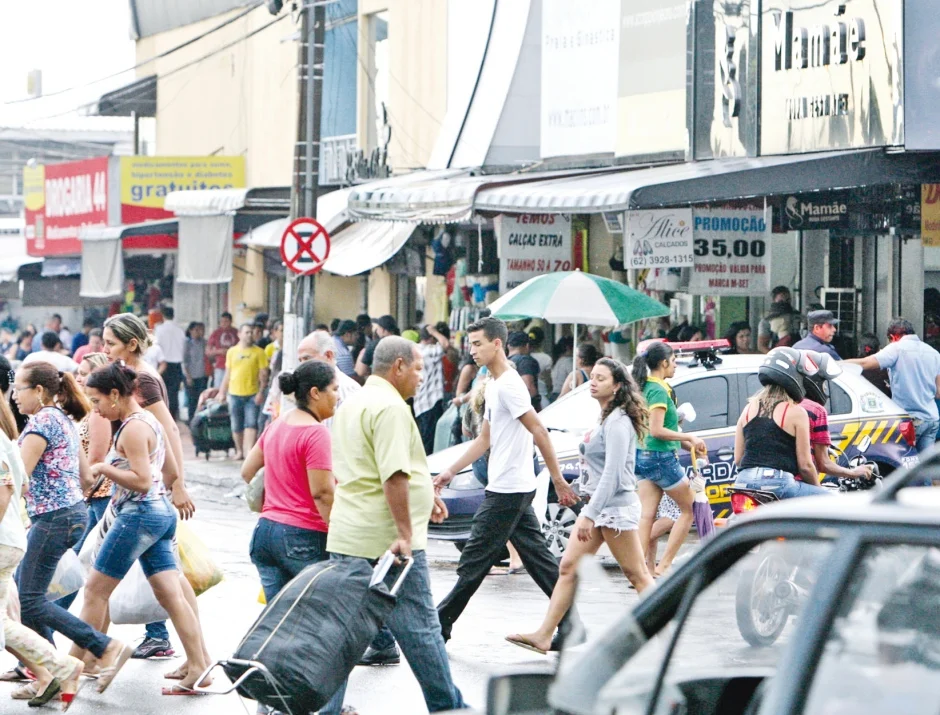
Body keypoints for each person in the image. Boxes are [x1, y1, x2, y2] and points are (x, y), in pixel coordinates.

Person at [327, 337, 465, 712]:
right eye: (419, 368)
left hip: (350, 534)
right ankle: (449, 707)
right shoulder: (390, 408)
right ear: (399, 366)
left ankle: (327, 709)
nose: (422, 377)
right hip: (387, 542)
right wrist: (406, 532)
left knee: (346, 634)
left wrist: (426, 497)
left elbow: (373, 469)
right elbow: (393, 476)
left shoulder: (353, 403)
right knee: (421, 631)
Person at [434, 317, 580, 647]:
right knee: (541, 562)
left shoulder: (511, 385)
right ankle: (571, 624)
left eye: (477, 344)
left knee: (474, 560)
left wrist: (558, 480)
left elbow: (539, 430)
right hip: (510, 486)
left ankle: (439, 624)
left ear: (497, 344)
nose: (472, 350)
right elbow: (484, 439)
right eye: (471, 344)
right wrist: (449, 471)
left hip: (509, 489)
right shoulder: (496, 383)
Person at [506, 358, 654, 654]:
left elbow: (613, 475)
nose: (594, 382)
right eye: (593, 377)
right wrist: (577, 492)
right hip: (598, 507)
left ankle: (665, 632)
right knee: (568, 567)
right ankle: (544, 635)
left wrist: (588, 514)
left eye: (601, 378)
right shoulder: (605, 416)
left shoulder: (618, 422)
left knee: (637, 574)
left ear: (617, 386)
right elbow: (599, 470)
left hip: (614, 509)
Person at [78, 363, 210, 694]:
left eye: (96, 401)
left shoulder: (134, 428)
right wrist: (164, 494)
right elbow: (170, 470)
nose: (95, 409)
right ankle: (199, 665)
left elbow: (140, 480)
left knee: (95, 590)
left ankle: (82, 661)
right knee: (171, 596)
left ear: (114, 394)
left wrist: (106, 467)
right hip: (158, 513)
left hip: (138, 515)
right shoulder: (149, 422)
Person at [11, 362, 131, 695]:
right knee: (28, 596)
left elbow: (18, 478)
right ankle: (51, 674)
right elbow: (87, 476)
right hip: (72, 514)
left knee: (29, 600)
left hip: (53, 518)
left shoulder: (40, 422)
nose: (14, 397)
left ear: (38, 391)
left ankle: (103, 647)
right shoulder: (63, 419)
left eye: (19, 389)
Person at [241, 360, 354, 715]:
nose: (338, 396)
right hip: (303, 538)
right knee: (331, 636)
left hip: (266, 536)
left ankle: (269, 710)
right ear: (315, 393)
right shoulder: (316, 433)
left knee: (279, 633)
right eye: (334, 390)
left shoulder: (276, 426)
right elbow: (323, 494)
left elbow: (248, 472)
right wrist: (341, 540)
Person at [101, 313, 200, 663]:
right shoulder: (129, 375)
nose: (106, 349)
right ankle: (194, 657)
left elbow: (169, 430)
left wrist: (179, 483)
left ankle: (87, 654)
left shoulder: (142, 378)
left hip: (145, 495)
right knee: (168, 581)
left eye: (111, 343)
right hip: (143, 495)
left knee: (99, 586)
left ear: (131, 344)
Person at [0, 381, 85, 709]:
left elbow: (6, 491)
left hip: (5, 540)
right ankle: (49, 674)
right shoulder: (10, 436)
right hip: (10, 539)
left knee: (6, 623)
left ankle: (62, 667)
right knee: (8, 618)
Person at [632, 341, 706, 577]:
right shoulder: (657, 390)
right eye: (674, 361)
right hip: (660, 458)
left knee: (647, 516)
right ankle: (664, 566)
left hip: (642, 456)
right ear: (663, 363)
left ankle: (639, 571)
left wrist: (688, 443)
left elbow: (659, 431)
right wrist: (689, 437)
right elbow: (657, 430)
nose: (675, 366)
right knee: (689, 509)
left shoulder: (644, 387)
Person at [732, 348, 827, 498]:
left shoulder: (748, 409)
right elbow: (806, 466)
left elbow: (738, 459)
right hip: (777, 482)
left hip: (743, 483)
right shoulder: (797, 412)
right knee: (835, 501)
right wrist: (818, 490)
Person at [847, 318, 940, 454]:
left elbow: (865, 363)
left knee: (904, 467)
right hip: (932, 419)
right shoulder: (934, 353)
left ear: (893, 337)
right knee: (922, 467)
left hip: (911, 420)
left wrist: (835, 363)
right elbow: (938, 392)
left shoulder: (896, 348)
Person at [796, 350, 874, 482]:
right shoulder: (815, 410)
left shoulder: (765, 405)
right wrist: (853, 473)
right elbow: (822, 464)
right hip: (796, 483)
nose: (825, 389)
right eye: (824, 382)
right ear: (814, 382)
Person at [74, 353, 114, 549]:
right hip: (92, 493)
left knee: (93, 552)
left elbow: (96, 458)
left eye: (83, 374)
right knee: (80, 552)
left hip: (101, 492)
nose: (78, 378)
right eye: (77, 373)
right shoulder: (90, 409)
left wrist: (78, 492)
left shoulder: (99, 414)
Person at [216, 324, 270, 460]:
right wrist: (222, 392)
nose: (249, 335)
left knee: (251, 423)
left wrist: (261, 392)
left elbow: (264, 374)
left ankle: (249, 452)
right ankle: (239, 451)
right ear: (239, 334)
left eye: (251, 332)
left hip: (252, 393)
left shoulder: (259, 352)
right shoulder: (232, 352)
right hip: (234, 393)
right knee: (236, 425)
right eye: (246, 332)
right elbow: (227, 374)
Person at [415, 324, 450, 455]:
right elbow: (445, 344)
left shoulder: (415, 349)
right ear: (430, 337)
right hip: (430, 400)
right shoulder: (427, 351)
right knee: (430, 441)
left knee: (426, 438)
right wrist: (435, 332)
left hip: (421, 401)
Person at [154, 306, 186, 421]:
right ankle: (173, 417)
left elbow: (156, 345)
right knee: (174, 393)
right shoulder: (180, 329)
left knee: (163, 392)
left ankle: (164, 417)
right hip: (177, 365)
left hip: (164, 365)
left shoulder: (159, 329)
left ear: (163, 315)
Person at [506, 331, 542, 411]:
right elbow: (529, 387)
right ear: (527, 346)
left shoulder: (503, 363)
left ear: (508, 346)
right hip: (524, 412)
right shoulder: (525, 360)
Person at [355, 315, 399, 380]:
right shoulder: (402, 343)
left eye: (378, 328)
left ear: (382, 330)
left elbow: (361, 372)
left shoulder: (374, 345)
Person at [757, 286, 798, 353]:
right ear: (774, 301)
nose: (785, 303)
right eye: (781, 301)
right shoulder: (766, 321)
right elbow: (761, 346)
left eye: (788, 300)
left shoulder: (797, 316)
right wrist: (775, 356)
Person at [183, 322, 209, 424]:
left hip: (203, 375)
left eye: (201, 330)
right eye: (196, 330)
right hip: (191, 376)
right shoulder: (188, 343)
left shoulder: (204, 342)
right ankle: (191, 421)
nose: (199, 332)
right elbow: (185, 361)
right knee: (191, 400)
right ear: (191, 331)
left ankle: (200, 421)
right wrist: (188, 377)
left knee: (202, 399)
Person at [207, 312, 238, 387]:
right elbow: (208, 351)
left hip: (235, 365)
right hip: (220, 366)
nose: (223, 324)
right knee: (218, 388)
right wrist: (219, 351)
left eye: (226, 321)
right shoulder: (216, 333)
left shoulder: (236, 332)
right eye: (222, 321)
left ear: (231, 322)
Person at [527, 326, 553, 407]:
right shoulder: (546, 358)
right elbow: (548, 381)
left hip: (525, 396)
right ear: (542, 341)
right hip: (542, 395)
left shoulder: (524, 357)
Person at [550, 337, 574, 401]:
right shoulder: (569, 361)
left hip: (553, 394)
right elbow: (574, 377)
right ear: (569, 348)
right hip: (563, 395)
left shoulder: (557, 361)